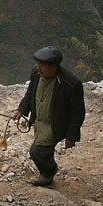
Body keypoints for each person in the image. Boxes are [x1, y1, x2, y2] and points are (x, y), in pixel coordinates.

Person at [11, 46, 85, 187]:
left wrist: (71, 136)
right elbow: (30, 94)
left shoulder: (71, 84)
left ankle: (48, 173)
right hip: (39, 121)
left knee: (37, 151)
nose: (38, 68)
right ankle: (48, 169)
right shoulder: (36, 74)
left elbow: (78, 113)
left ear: (53, 66)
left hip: (55, 125)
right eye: (38, 64)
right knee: (44, 151)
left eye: (42, 66)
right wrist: (21, 110)